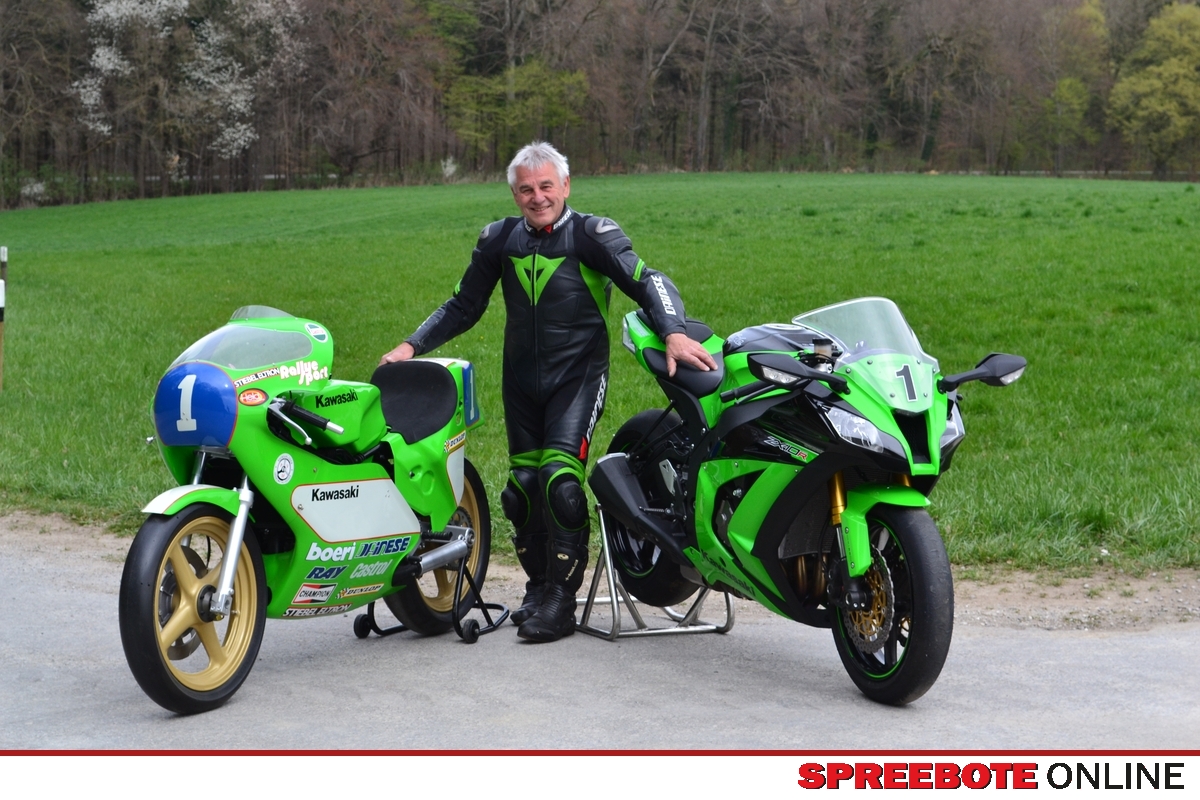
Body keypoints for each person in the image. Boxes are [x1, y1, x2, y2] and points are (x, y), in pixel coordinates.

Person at [381, 141, 716, 642]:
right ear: (514, 194)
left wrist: (673, 331)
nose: (537, 197)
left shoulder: (592, 235)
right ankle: (538, 589)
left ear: (565, 186)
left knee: (560, 482)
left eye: (545, 186)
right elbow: (463, 305)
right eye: (525, 189)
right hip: (521, 383)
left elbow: (649, 281)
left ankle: (561, 600)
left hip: (578, 378)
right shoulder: (499, 239)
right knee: (521, 490)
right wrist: (411, 346)